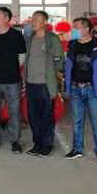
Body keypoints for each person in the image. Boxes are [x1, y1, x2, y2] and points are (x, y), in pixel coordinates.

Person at [65, 17, 97, 163]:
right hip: (75, 88)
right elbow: (68, 65)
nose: (74, 30)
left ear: (87, 29)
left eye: (77, 27)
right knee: (77, 121)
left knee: (96, 122)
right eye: (74, 27)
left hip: (92, 89)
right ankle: (77, 149)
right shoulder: (71, 45)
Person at [0, 6, 27, 153]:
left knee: (14, 111)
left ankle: (15, 140)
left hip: (11, 80)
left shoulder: (16, 35)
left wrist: (10, 68)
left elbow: (22, 57)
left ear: (7, 19)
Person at [24, 10, 65, 157]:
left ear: (44, 23)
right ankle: (37, 144)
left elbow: (59, 60)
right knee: (33, 116)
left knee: (46, 116)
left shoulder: (52, 39)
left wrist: (54, 74)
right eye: (33, 19)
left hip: (45, 84)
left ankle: (46, 145)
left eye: (37, 19)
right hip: (31, 83)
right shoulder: (29, 38)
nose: (33, 22)